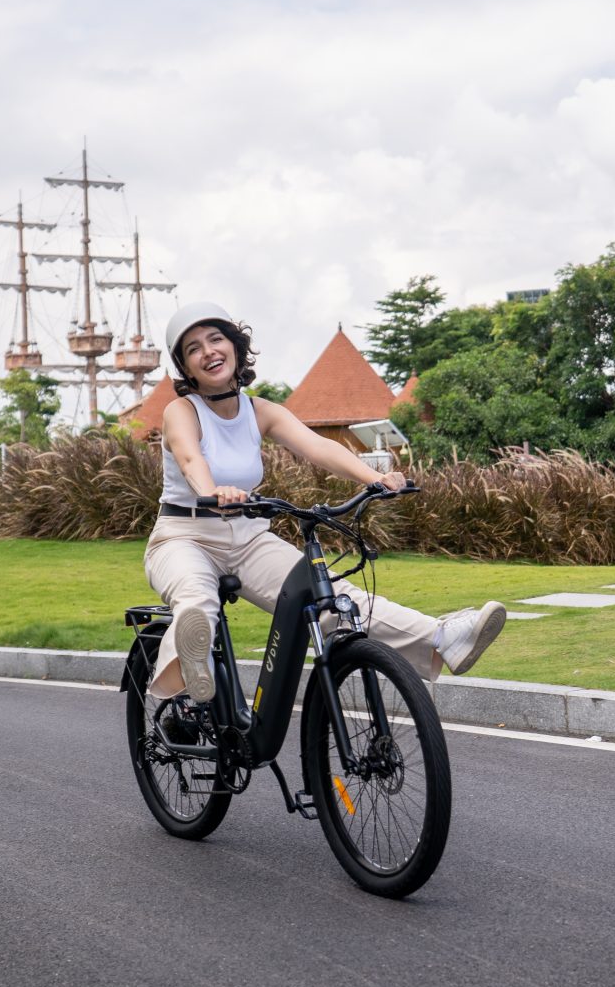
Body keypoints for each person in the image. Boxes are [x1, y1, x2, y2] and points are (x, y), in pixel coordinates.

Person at [145, 302, 505, 704]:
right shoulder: (181, 410)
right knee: (196, 599)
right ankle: (197, 674)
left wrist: (377, 479)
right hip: (182, 537)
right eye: (193, 348)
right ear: (186, 367)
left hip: (246, 537)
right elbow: (190, 458)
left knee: (333, 597)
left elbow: (319, 447)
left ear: (235, 346)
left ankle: (443, 637)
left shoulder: (259, 411)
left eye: (215, 339)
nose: (208, 351)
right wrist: (213, 491)